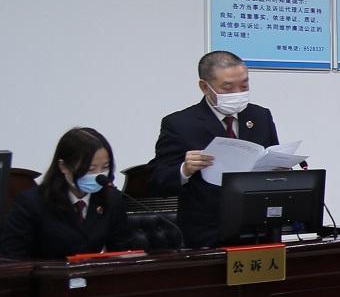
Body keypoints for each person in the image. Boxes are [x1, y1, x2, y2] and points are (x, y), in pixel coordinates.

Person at [150, 50, 282, 248]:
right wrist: (185, 169)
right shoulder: (180, 124)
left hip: (259, 228)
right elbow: (157, 180)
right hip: (208, 234)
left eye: (244, 85)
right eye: (228, 88)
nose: (237, 93)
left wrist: (280, 169)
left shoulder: (260, 116)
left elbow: (270, 156)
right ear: (205, 87)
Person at [1, 128, 138, 259]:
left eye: (105, 167)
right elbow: (13, 259)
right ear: (63, 166)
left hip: (93, 274)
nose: (98, 175)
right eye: (90, 169)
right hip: (48, 275)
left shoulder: (111, 199)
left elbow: (122, 251)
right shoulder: (31, 203)